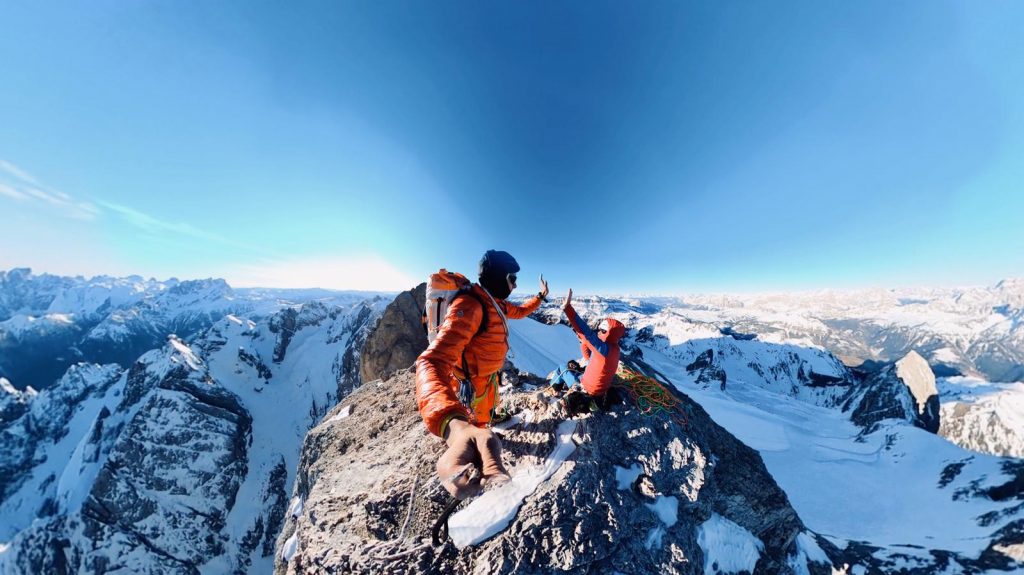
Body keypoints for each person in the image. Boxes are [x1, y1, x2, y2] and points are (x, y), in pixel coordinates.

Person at [415, 249, 549, 499]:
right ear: (499, 278)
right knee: (473, 432)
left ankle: (482, 440)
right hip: (470, 387)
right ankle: (471, 477)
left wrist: (540, 296)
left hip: (487, 382)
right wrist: (452, 425)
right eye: (512, 277)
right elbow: (431, 361)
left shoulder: (493, 302)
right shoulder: (472, 306)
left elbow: (519, 311)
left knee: (484, 422)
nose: (515, 283)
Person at [561, 288, 625, 412]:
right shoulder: (614, 349)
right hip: (600, 390)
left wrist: (568, 308)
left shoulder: (603, 349)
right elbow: (590, 354)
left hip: (587, 388)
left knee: (562, 368)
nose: (599, 332)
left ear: (608, 333)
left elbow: (586, 332)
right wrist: (584, 342)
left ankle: (555, 389)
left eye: (602, 330)